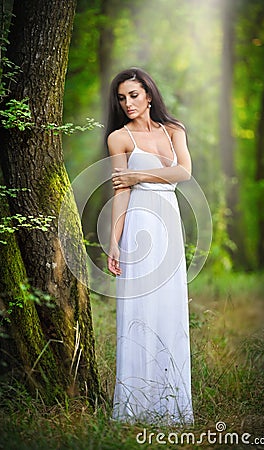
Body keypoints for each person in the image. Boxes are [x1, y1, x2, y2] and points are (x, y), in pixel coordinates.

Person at [106, 68, 194, 425]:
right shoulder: (118, 138)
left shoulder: (174, 131)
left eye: (134, 95)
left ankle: (171, 405)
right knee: (138, 312)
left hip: (168, 226)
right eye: (122, 97)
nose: (128, 103)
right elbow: (120, 191)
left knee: (169, 309)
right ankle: (134, 408)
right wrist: (113, 241)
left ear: (149, 96)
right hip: (139, 225)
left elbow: (184, 172)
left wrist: (138, 174)